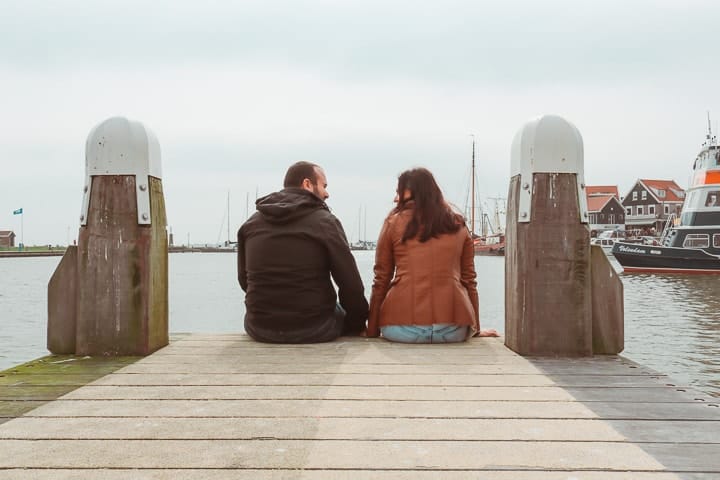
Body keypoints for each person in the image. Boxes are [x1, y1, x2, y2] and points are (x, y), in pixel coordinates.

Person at [237, 161, 369, 343]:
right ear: (307, 184)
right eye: (324, 186)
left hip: (260, 327)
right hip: (315, 328)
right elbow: (350, 285)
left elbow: (245, 280)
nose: (327, 193)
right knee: (340, 310)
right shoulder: (325, 222)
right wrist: (357, 324)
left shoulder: (251, 224)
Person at [367, 168, 499, 343]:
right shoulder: (458, 224)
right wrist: (476, 329)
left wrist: (371, 330)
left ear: (409, 193)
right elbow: (469, 281)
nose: (394, 198)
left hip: (401, 328)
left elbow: (381, 279)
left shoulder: (393, 223)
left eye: (398, 191)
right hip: (453, 329)